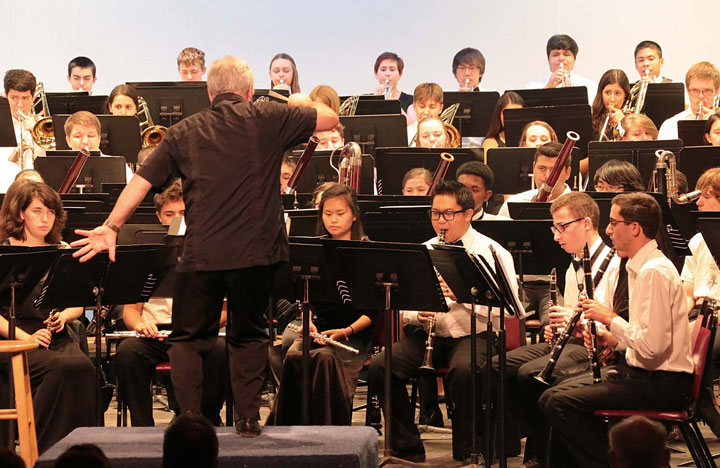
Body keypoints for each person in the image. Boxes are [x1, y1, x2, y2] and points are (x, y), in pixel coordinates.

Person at [71, 56, 338, 438]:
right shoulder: (269, 116)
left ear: (210, 93)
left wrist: (112, 225)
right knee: (249, 334)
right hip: (256, 253)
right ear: (248, 92)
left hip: (203, 254)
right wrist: (291, 99)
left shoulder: (184, 131)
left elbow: (143, 182)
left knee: (189, 339)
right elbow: (328, 118)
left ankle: (191, 418)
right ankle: (247, 419)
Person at [369, 180, 518, 463]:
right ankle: (406, 446)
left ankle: (469, 448)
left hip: (475, 334)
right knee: (382, 365)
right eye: (436, 213)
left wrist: (465, 296)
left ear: (468, 213)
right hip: (429, 335)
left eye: (448, 214)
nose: (440, 221)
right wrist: (417, 314)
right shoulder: (424, 250)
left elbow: (510, 310)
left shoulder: (493, 252)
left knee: (463, 370)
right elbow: (404, 306)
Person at [541, 192, 693, 468]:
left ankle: (620, 464)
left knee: (559, 404)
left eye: (613, 223)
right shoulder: (639, 268)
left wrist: (610, 318)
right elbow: (643, 338)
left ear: (635, 228)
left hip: (661, 382)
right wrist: (608, 338)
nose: (608, 230)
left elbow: (652, 348)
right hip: (644, 373)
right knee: (552, 394)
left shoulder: (654, 271)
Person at [499, 192, 621, 466]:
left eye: (562, 227)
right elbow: (571, 315)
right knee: (501, 365)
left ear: (587, 223)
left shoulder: (613, 265)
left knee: (529, 374)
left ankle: (544, 451)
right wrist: (558, 326)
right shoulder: (571, 267)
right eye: (555, 228)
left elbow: (615, 320)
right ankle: (523, 444)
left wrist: (573, 322)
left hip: (597, 346)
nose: (556, 236)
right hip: (573, 341)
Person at [114, 181, 228, 426]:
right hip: (154, 334)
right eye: (169, 214)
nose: (177, 219)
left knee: (220, 351)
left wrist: (203, 324)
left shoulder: (214, 251)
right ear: (158, 217)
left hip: (197, 332)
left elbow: (226, 310)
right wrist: (141, 326)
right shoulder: (146, 255)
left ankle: (205, 418)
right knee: (127, 353)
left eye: (184, 213)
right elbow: (131, 311)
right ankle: (142, 426)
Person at [0, 181, 95, 454]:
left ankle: (80, 451)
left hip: (52, 333)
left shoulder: (61, 250)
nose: (45, 219)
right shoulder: (4, 251)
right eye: (37, 211)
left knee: (83, 367)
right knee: (58, 368)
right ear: (20, 214)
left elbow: (77, 305)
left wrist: (63, 317)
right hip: (13, 336)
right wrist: (26, 338)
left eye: (50, 212)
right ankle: (46, 450)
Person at [272, 183, 374, 425]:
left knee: (325, 359)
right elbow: (306, 299)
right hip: (320, 332)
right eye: (327, 214)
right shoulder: (313, 249)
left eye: (340, 214)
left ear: (354, 215)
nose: (333, 220)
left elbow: (373, 311)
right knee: (293, 357)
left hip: (353, 336)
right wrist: (309, 325)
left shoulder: (368, 250)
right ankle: (294, 431)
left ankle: (328, 429)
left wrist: (345, 332)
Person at [680, 167, 720, 436]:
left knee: (700, 347)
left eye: (706, 195)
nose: (699, 202)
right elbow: (687, 292)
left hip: (717, 316)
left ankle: (702, 405)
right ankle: (700, 403)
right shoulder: (697, 240)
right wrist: (678, 318)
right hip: (702, 314)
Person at [498, 142, 571, 217]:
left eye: (555, 170)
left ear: (567, 173)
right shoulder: (514, 202)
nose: (548, 176)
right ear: (533, 168)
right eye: (542, 168)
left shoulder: (581, 207)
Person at [63, 111, 134, 182]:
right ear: (68, 140)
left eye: (91, 136)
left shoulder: (119, 166)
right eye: (78, 136)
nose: (85, 141)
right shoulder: (56, 167)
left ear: (99, 138)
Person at [525, 34, 597, 103]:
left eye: (566, 54)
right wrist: (549, 87)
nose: (561, 59)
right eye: (555, 55)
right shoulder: (533, 87)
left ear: (574, 59)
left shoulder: (590, 86)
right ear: (548, 59)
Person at [658, 61, 720, 139]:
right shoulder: (670, 125)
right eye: (695, 90)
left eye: (707, 90)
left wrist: (714, 121)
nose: (701, 96)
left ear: (717, 91)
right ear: (687, 90)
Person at [2, 69, 44, 169]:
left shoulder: (45, 125)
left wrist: (36, 131)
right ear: (5, 95)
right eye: (14, 98)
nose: (20, 105)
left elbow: (54, 161)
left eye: (25, 98)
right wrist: (14, 157)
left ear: (33, 97)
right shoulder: (2, 125)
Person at [592, 70, 630, 141]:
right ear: (601, 93)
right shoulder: (592, 120)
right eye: (607, 93)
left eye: (617, 93)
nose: (612, 99)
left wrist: (623, 123)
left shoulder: (634, 120)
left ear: (625, 96)